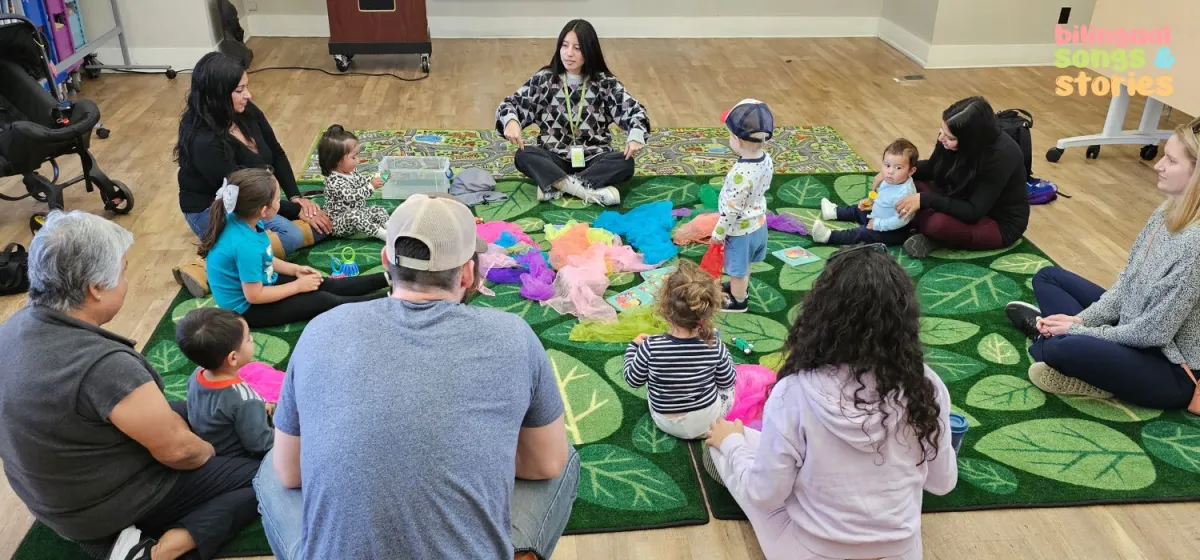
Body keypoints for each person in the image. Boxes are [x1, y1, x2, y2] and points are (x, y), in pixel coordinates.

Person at [252, 193, 580, 559]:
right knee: (562, 457)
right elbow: (545, 464)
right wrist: (483, 460)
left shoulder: (321, 328)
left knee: (272, 469)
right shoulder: (513, 335)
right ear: (468, 273)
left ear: (385, 262)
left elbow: (291, 474)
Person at [0, 211, 260, 560]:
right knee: (265, 476)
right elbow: (182, 453)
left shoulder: (14, 327)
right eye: (122, 273)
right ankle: (161, 549)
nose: (126, 282)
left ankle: (110, 541)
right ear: (94, 289)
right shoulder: (104, 366)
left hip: (54, 497)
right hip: (102, 507)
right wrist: (214, 452)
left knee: (199, 411)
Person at [704, 244, 957, 560]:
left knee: (722, 444)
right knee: (746, 439)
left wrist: (732, 446)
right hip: (900, 552)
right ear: (904, 320)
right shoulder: (927, 385)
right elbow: (942, 482)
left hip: (810, 551)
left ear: (820, 315)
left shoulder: (794, 392)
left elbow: (765, 494)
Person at [1005, 117, 1200, 409]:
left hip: (1171, 367)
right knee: (1048, 277)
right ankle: (1060, 339)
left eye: (1170, 161)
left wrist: (1077, 331)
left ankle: (1055, 340)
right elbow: (1126, 285)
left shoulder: (1194, 246)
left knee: (1062, 346)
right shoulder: (1168, 209)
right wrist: (1081, 320)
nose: (1158, 165)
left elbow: (1153, 333)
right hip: (1129, 327)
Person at [174, 51, 333, 296]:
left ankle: (227, 256)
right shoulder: (204, 140)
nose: (248, 95)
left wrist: (296, 198)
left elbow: (276, 152)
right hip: (217, 205)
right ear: (217, 94)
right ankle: (204, 268)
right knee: (290, 233)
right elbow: (245, 194)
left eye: (246, 87)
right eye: (239, 90)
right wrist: (299, 211)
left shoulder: (243, 109)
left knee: (324, 222)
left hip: (258, 197)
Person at [200, 168, 388, 328]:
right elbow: (254, 296)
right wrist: (297, 286)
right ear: (263, 210)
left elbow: (264, 258)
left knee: (320, 282)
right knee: (323, 300)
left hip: (262, 282)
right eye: (276, 199)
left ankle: (388, 277)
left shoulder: (245, 220)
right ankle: (388, 300)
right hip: (247, 310)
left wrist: (295, 269)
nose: (280, 202)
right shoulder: (243, 244)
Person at [498, 19, 650, 207]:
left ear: (590, 50)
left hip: (594, 158)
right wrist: (511, 121)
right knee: (524, 155)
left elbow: (636, 111)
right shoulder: (545, 80)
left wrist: (635, 135)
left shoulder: (605, 83)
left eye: (577, 48)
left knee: (625, 163)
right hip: (554, 157)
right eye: (564, 45)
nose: (569, 53)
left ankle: (556, 185)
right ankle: (587, 191)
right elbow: (509, 105)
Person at [893, 96, 1030, 258]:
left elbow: (973, 211)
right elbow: (932, 168)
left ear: (970, 140)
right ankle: (917, 225)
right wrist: (899, 169)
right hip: (958, 196)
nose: (941, 138)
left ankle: (931, 235)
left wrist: (924, 199)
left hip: (995, 221)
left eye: (950, 138)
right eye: (941, 131)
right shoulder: (950, 134)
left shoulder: (1003, 156)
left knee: (937, 225)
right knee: (905, 180)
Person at [624, 260, 737, 439]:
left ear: (665, 309)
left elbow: (632, 380)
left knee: (649, 374)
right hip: (706, 423)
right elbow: (727, 382)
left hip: (665, 422)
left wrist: (632, 348)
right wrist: (725, 356)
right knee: (729, 387)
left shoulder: (650, 346)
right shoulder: (714, 344)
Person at [178, 307, 275, 459]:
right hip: (238, 458)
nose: (252, 339)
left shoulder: (197, 373)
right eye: (248, 338)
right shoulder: (246, 400)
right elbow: (261, 444)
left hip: (211, 442)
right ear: (233, 358)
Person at [711, 99, 775, 313]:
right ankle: (741, 288)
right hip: (758, 224)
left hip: (740, 230)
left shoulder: (740, 175)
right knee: (745, 264)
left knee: (737, 270)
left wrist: (719, 233)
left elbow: (732, 210)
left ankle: (739, 300)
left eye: (730, 135)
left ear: (738, 140)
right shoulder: (766, 159)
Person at [813, 138, 919, 246]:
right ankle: (834, 212)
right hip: (877, 216)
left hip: (892, 231)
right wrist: (872, 202)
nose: (890, 171)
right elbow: (885, 199)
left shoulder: (905, 194)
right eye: (887, 165)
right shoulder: (891, 180)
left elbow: (901, 220)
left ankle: (828, 236)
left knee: (862, 233)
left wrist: (878, 224)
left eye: (898, 168)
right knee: (859, 209)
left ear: (911, 171)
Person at [317, 124, 390, 240]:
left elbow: (361, 181)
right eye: (353, 157)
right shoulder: (333, 181)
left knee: (378, 209)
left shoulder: (350, 171)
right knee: (354, 215)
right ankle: (385, 235)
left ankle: (391, 228)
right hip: (339, 223)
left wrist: (377, 177)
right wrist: (371, 187)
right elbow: (351, 196)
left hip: (359, 213)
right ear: (336, 161)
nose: (358, 160)